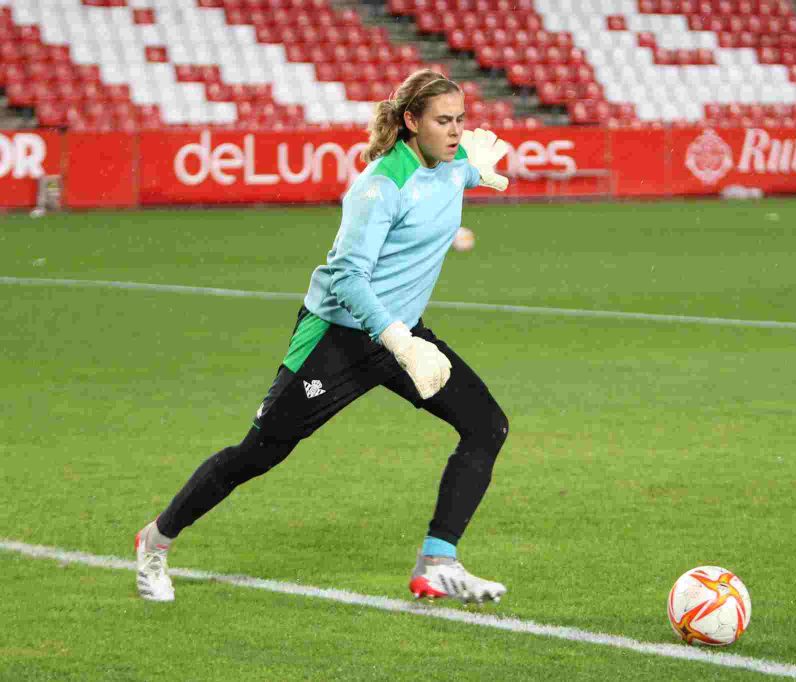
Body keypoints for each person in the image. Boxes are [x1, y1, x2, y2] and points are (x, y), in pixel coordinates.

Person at [135, 69, 514, 605]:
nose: (456, 132)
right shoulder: (379, 186)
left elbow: (462, 174)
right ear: (411, 121)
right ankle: (155, 541)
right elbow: (347, 278)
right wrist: (402, 344)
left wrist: (486, 169)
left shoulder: (453, 169)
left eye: (460, 120)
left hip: (401, 333)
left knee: (486, 425)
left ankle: (437, 561)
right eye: (442, 121)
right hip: (337, 339)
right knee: (260, 452)